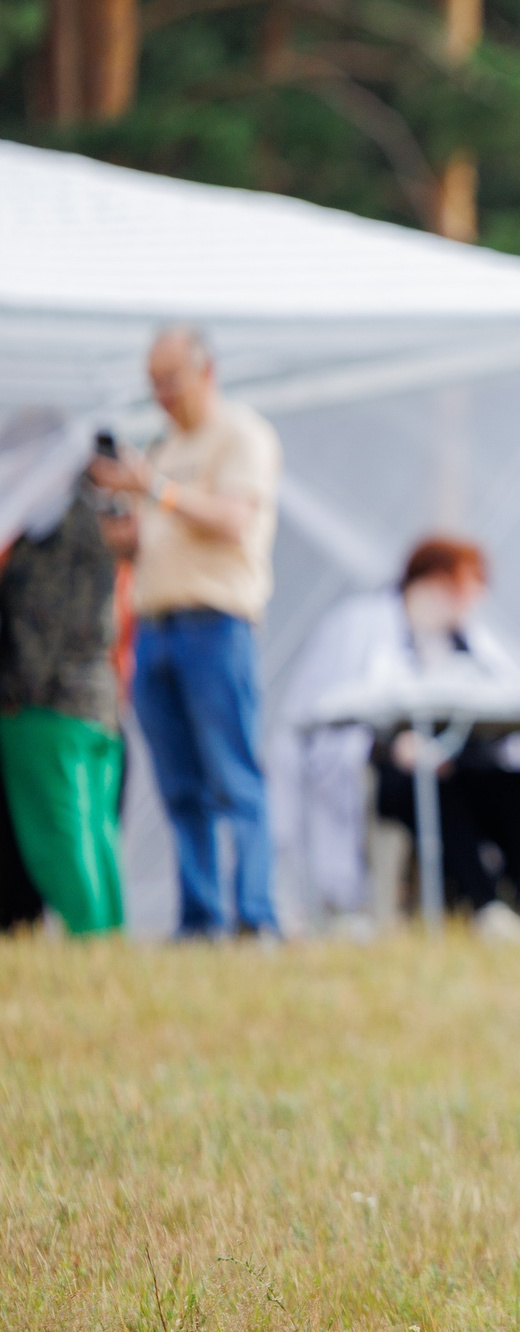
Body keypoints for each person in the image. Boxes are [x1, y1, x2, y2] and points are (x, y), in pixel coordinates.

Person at [89, 326, 283, 939]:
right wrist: (127, 536)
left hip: (215, 624)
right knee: (179, 785)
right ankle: (200, 919)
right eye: (154, 384)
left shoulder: (240, 435)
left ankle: (256, 916)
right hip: (156, 626)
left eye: (170, 380)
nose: (162, 395)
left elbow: (232, 519)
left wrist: (154, 489)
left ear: (206, 371)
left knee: (233, 775)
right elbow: (160, 534)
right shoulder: (165, 447)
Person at [282, 537, 520, 934]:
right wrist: (391, 746)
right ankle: (484, 906)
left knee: (519, 786)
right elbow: (331, 713)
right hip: (393, 770)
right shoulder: (363, 626)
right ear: (437, 581)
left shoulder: (469, 640)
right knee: (438, 793)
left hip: (460, 762)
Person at [0, 468, 125, 936]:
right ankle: (109, 942)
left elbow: (42, 623)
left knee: (62, 839)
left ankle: (92, 946)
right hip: (94, 702)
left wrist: (16, 694)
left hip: (49, 708)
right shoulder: (93, 518)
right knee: (94, 833)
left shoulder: (57, 531)